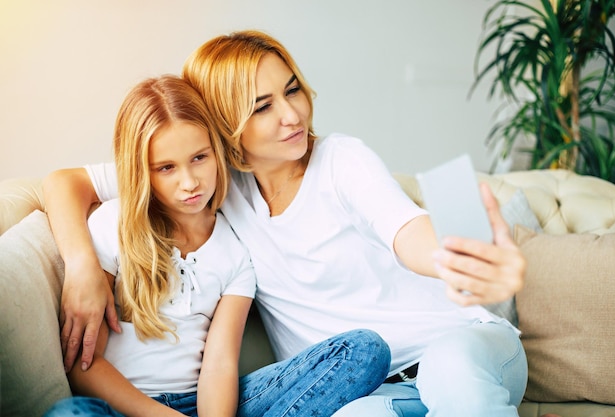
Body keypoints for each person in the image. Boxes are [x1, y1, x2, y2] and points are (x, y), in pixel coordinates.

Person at [43, 30, 528, 417]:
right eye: (263, 106)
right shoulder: (211, 182)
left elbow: (406, 231)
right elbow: (65, 183)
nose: (292, 114)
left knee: (452, 371)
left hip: (458, 344)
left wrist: (456, 257)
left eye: (291, 89)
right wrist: (83, 265)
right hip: (377, 390)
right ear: (223, 123)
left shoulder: (342, 160)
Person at [42, 75, 390, 417]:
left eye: (199, 158)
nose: (190, 182)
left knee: (364, 351)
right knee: (70, 413)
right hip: (123, 407)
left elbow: (219, 365)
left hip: (206, 404)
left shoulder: (236, 250)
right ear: (141, 172)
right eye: (166, 168)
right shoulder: (113, 224)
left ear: (218, 153)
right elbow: (84, 365)